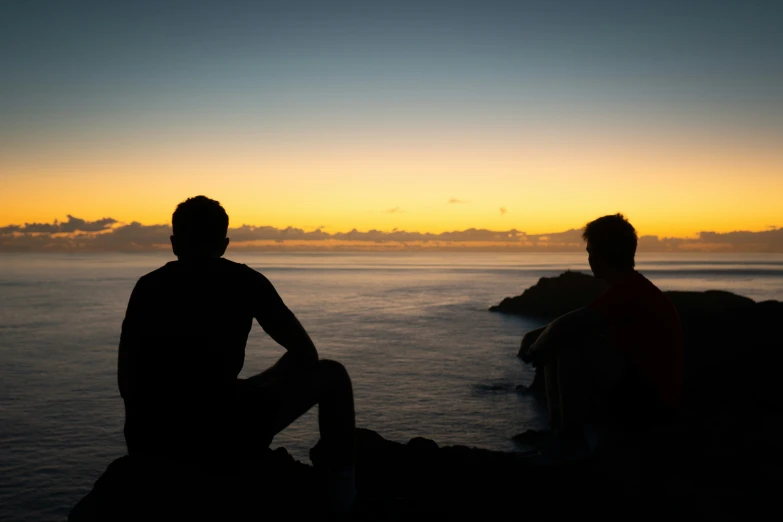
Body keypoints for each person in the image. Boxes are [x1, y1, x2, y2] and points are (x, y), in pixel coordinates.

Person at [117, 195, 356, 512]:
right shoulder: (246, 282)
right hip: (226, 432)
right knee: (332, 374)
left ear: (174, 243)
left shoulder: (148, 287)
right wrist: (258, 381)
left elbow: (128, 382)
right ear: (224, 244)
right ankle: (340, 491)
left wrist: (144, 455)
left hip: (155, 440)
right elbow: (305, 354)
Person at [520, 214, 685, 453]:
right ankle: (559, 434)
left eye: (590, 252)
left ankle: (568, 440)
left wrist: (534, 349)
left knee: (568, 346)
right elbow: (573, 321)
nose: (588, 259)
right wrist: (539, 335)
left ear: (605, 253)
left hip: (650, 403)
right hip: (642, 391)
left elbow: (568, 326)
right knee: (568, 340)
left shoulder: (629, 292)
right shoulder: (629, 287)